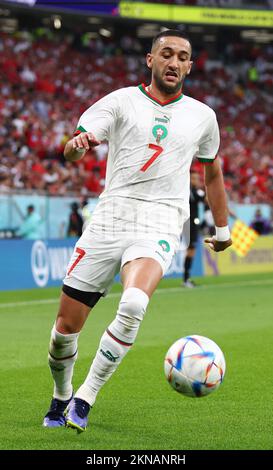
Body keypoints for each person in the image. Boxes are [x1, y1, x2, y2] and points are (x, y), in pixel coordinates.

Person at [43, 30, 232, 432]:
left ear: (190, 66)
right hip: (110, 218)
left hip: (161, 220)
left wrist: (223, 226)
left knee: (132, 305)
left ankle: (85, 399)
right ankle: (61, 396)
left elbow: (212, 171)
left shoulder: (203, 116)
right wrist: (78, 145)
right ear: (150, 59)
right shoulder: (121, 101)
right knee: (64, 332)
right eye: (166, 54)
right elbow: (73, 146)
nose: (174, 62)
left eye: (182, 57)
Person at [182, 171, 205, 288]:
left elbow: (204, 201)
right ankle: (186, 279)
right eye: (194, 178)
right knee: (190, 250)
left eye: (198, 178)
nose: (196, 181)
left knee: (191, 250)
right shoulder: (188, 191)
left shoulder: (196, 192)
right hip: (187, 224)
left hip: (192, 225)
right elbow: (204, 200)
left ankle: (186, 279)